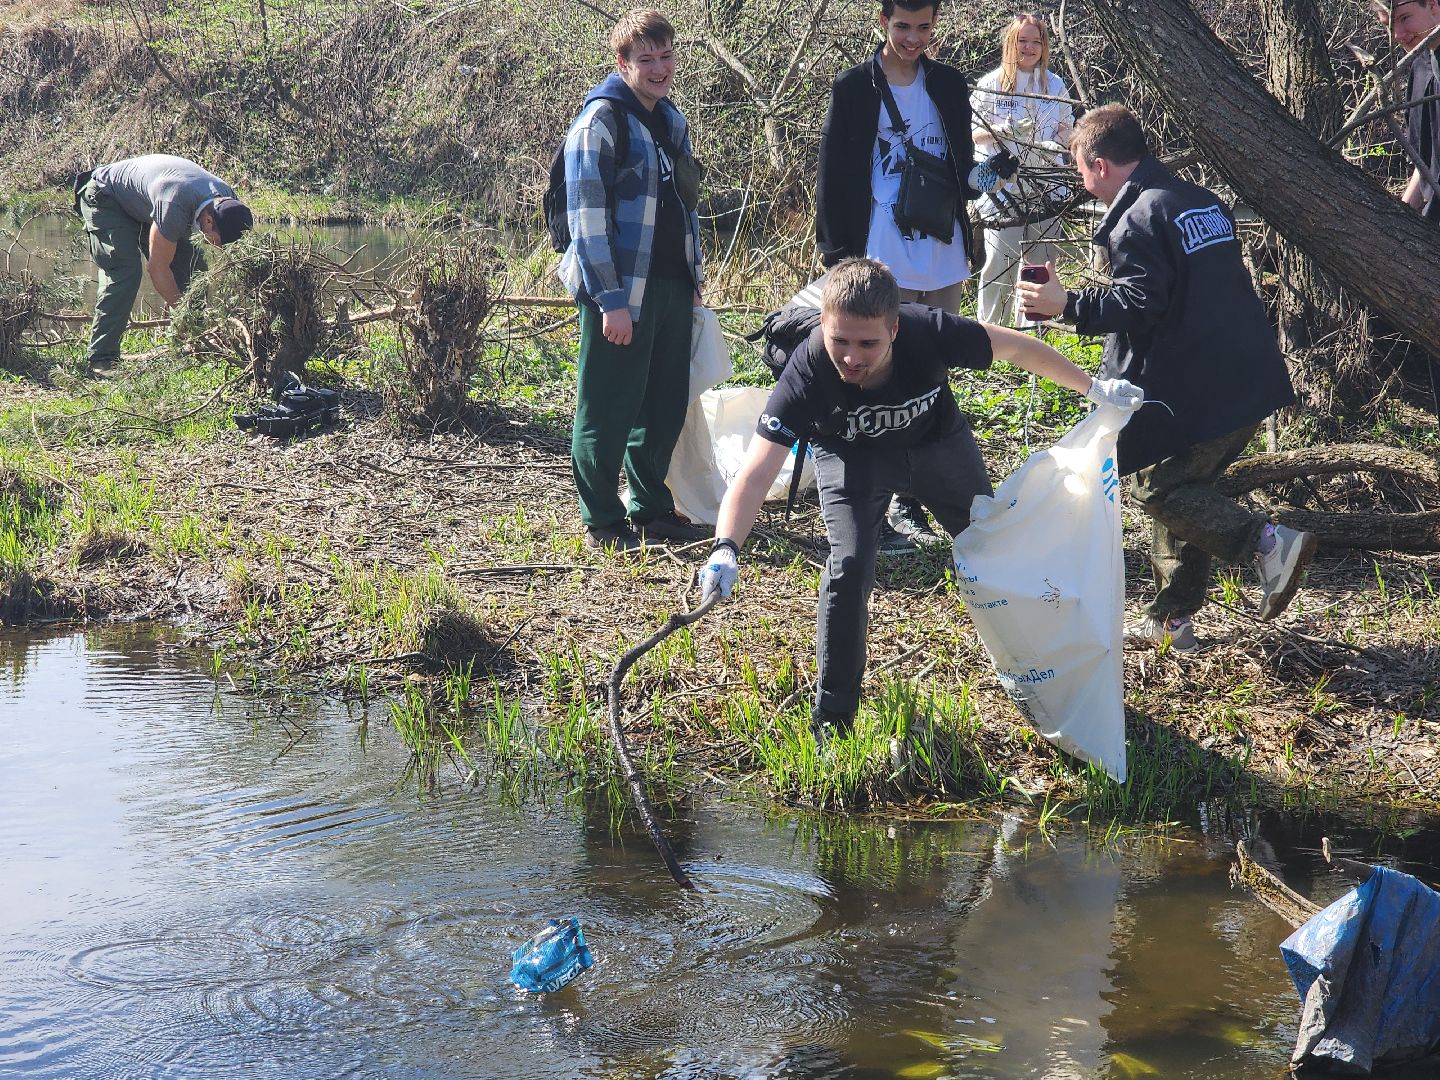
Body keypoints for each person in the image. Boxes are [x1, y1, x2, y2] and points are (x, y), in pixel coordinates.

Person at [698, 257, 1141, 740]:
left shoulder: (929, 329)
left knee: (995, 552)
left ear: (894, 329)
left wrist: (1093, 387)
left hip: (937, 445)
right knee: (848, 570)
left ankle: (1046, 682)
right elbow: (758, 469)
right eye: (839, 341)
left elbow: (1017, 349)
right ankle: (833, 718)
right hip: (853, 459)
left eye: (868, 343)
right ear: (824, 326)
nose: (851, 357)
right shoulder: (806, 370)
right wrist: (725, 549)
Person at [1016, 105, 1316, 653]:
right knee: (1180, 485)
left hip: (1202, 391)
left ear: (1100, 164)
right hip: (1245, 376)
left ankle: (1266, 543)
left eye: (1080, 169)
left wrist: (1066, 305)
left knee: (1160, 488)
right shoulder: (1199, 201)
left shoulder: (1137, 216)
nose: (1082, 182)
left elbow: (1139, 304)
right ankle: (1171, 620)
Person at [815, 0, 1018, 556]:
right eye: (903, 27)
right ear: (882, 22)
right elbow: (834, 173)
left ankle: (921, 491)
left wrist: (992, 174)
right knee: (880, 371)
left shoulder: (948, 84)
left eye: (924, 28)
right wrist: (838, 257)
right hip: (882, 249)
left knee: (931, 368)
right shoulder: (855, 87)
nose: (913, 39)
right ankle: (879, 498)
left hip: (942, 247)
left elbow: (958, 168)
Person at [558, 8, 708, 553]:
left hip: (670, 283)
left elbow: (687, 205)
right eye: (646, 59)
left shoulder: (673, 120)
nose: (659, 68)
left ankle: (650, 508)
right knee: (608, 403)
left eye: (666, 56)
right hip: (621, 292)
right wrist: (610, 300)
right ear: (622, 63)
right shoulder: (601, 120)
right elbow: (587, 221)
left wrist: (695, 274)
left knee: (665, 402)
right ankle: (602, 517)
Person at [75, 154, 253, 374]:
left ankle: (189, 345)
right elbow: (158, 269)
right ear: (208, 221)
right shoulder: (174, 203)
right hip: (106, 197)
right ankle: (102, 358)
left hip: (147, 205)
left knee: (195, 273)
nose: (216, 247)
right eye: (216, 241)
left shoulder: (228, 199)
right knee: (126, 272)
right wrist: (185, 314)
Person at [971, 13, 1074, 325]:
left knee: (1041, 263)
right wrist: (1007, 129)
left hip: (1047, 184)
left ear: (1044, 46)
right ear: (1010, 44)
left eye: (1036, 41)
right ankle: (989, 334)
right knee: (1000, 260)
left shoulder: (1054, 84)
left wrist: (1058, 145)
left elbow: (1067, 129)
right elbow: (972, 133)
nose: (1029, 47)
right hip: (1003, 188)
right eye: (1022, 41)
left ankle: (1034, 333)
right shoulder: (992, 83)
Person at [1372, 0, 1440, 221]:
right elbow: (1425, 163)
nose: (1397, 34)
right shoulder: (1420, 65)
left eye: (1404, 18)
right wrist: (1402, 220)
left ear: (1432, 5)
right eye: (1387, 25)